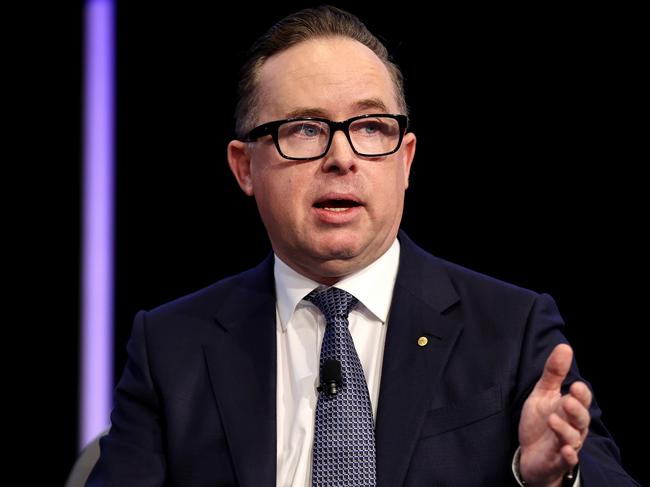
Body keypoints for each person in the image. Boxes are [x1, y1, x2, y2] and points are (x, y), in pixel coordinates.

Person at [87, 5, 638, 487]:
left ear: (406, 160)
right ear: (244, 166)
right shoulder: (170, 346)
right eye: (304, 128)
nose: (342, 157)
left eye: (371, 127)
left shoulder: (512, 328)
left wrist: (548, 479)